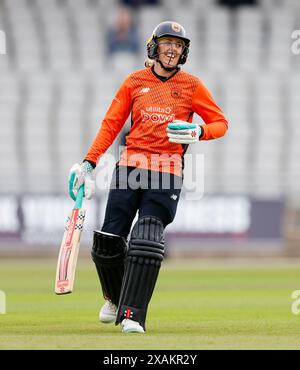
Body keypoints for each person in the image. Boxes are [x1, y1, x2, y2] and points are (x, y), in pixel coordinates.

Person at [68, 21, 228, 334]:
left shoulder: (192, 85)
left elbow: (220, 123)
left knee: (146, 238)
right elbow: (111, 124)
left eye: (179, 45)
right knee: (108, 241)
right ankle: (114, 298)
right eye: (168, 43)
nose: (173, 49)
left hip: (167, 170)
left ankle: (132, 315)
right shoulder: (134, 81)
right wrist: (88, 164)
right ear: (153, 46)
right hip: (130, 167)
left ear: (184, 52)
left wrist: (199, 131)